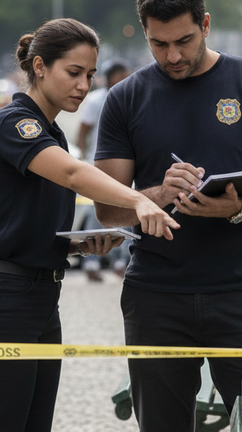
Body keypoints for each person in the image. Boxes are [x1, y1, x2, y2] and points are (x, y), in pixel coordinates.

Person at [0, 18, 179, 432]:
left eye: (90, 75)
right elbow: (73, 175)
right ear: (39, 66)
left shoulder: (51, 132)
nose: (84, 84)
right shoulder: (15, 124)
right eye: (73, 72)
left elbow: (24, 222)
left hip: (37, 301)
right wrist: (134, 198)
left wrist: (81, 246)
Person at [93, 1, 242, 432]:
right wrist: (156, 193)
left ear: (206, 25)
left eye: (184, 41)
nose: (172, 55)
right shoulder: (126, 97)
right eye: (158, 43)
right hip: (155, 297)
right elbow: (108, 208)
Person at [76, 60, 132, 282]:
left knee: (125, 211)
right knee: (95, 214)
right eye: (122, 75)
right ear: (110, 77)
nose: (126, 79)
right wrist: (84, 156)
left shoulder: (128, 98)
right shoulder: (96, 100)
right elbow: (83, 130)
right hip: (96, 165)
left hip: (120, 166)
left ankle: (121, 261)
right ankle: (91, 262)